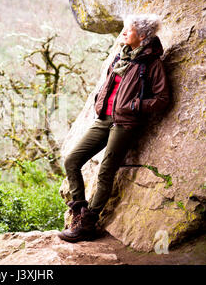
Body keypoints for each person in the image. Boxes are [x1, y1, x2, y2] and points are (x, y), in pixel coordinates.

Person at [58, 14, 170, 243]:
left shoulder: (151, 63)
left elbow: (163, 99)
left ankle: (87, 224)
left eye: (128, 31)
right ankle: (79, 212)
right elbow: (108, 85)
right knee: (71, 160)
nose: (123, 33)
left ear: (142, 36)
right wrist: (100, 101)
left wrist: (135, 105)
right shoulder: (121, 57)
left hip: (125, 123)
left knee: (105, 171)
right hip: (103, 119)